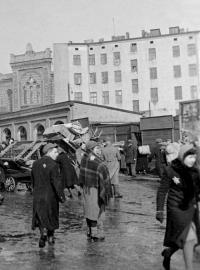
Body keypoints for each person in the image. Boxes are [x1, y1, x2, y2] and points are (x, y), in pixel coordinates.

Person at [156, 143, 200, 270]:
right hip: (176, 208)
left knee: (186, 238)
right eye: (190, 157)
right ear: (182, 156)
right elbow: (162, 191)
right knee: (189, 238)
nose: (192, 160)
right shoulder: (171, 170)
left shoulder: (196, 171)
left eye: (194, 157)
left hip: (191, 207)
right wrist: (159, 210)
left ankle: (168, 253)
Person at [31, 143, 65, 248]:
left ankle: (43, 234)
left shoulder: (35, 163)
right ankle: (50, 237)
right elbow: (57, 183)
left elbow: (33, 180)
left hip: (38, 196)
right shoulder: (54, 165)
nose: (57, 155)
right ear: (49, 152)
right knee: (51, 216)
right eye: (55, 152)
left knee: (41, 216)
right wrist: (62, 197)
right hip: (50, 197)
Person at [79, 140, 111, 241]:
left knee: (89, 209)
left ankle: (90, 231)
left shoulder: (84, 157)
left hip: (86, 187)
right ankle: (95, 234)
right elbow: (102, 171)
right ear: (91, 149)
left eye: (99, 148)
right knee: (95, 210)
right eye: (97, 148)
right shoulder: (97, 162)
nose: (99, 150)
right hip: (94, 189)